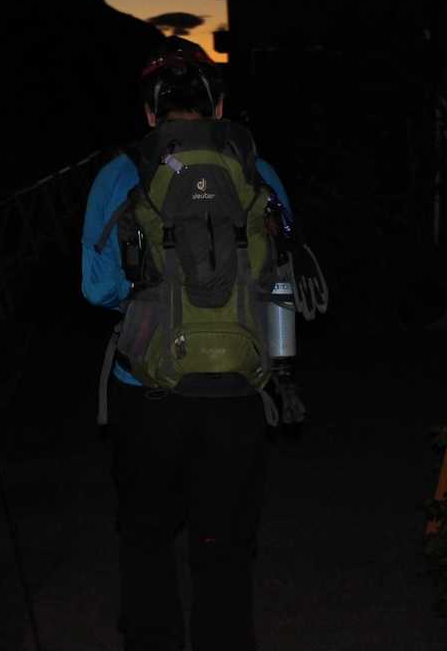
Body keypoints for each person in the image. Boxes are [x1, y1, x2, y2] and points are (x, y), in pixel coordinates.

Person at [80, 38, 294, 651]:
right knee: (224, 549)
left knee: (147, 542)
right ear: (218, 105)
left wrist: (155, 295)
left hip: (147, 392)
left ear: (149, 111)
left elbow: (97, 287)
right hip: (237, 391)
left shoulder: (121, 173)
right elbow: (279, 277)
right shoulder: (258, 171)